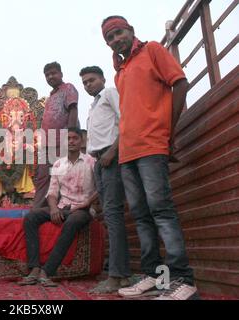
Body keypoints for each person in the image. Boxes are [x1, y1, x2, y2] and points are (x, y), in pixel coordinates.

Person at [102, 16, 199, 300]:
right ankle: (156, 277)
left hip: (152, 146)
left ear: (130, 30)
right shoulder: (120, 73)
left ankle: (183, 279)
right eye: (109, 37)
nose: (116, 39)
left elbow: (180, 83)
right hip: (127, 153)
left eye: (119, 32)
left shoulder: (153, 50)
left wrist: (168, 134)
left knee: (161, 211)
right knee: (142, 216)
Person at [18, 128, 97, 287]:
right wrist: (53, 209)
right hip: (62, 207)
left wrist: (86, 203)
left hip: (83, 209)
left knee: (72, 221)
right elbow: (52, 192)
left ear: (81, 141)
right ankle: (34, 268)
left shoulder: (91, 162)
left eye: (75, 138)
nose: (71, 141)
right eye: (68, 138)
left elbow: (101, 189)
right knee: (31, 217)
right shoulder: (58, 164)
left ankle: (46, 272)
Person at [80, 66, 131, 293]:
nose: (88, 84)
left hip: (111, 157)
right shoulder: (94, 105)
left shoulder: (110, 92)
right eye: (85, 82)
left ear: (102, 78)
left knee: (113, 214)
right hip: (100, 161)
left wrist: (112, 152)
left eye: (91, 80)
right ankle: (121, 277)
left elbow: (126, 120)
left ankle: (117, 275)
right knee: (109, 216)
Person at [33, 62, 79, 209]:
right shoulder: (50, 97)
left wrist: (71, 135)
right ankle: (38, 209)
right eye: (47, 75)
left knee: (62, 175)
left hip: (62, 141)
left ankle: (65, 207)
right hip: (47, 144)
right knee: (42, 177)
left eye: (53, 73)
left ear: (61, 74)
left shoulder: (68, 88)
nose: (50, 76)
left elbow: (73, 110)